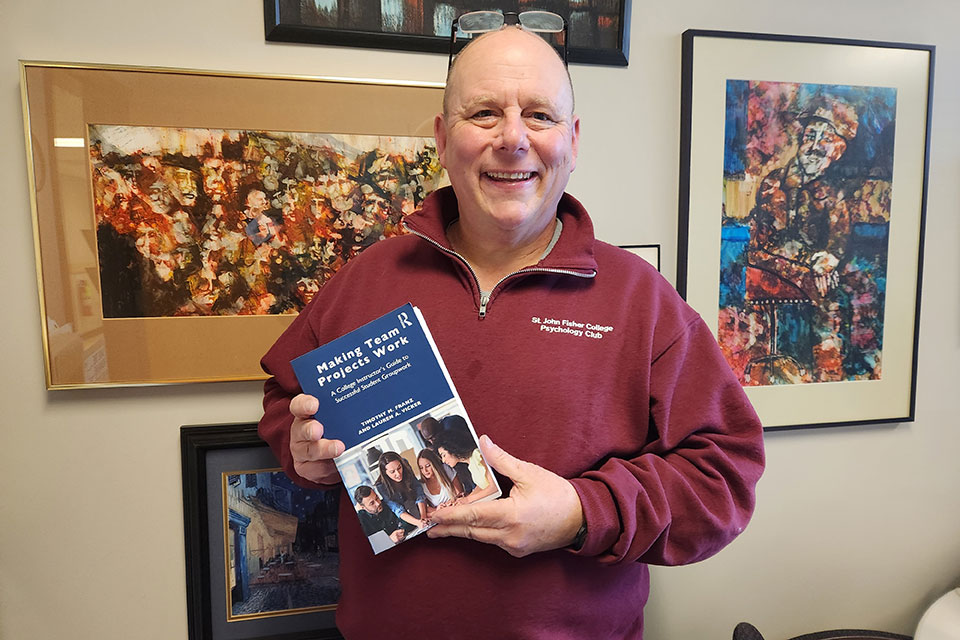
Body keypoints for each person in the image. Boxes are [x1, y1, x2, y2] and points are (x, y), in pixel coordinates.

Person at [258, 23, 764, 639]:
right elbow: (285, 400)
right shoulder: (367, 278)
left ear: (572, 141)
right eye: (484, 113)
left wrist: (583, 513)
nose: (514, 139)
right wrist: (303, 452)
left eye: (540, 115)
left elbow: (724, 476)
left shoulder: (641, 300)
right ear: (443, 140)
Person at [435, 431, 498, 503]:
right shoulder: (470, 464)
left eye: (444, 455)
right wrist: (462, 500)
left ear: (452, 448)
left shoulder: (477, 455)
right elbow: (481, 486)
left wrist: (468, 499)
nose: (443, 461)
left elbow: (494, 486)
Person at [375, 451, 429, 530]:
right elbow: (397, 509)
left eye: (399, 468)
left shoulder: (405, 464)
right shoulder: (381, 486)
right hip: (403, 517)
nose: (398, 474)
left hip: (415, 503)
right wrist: (418, 523)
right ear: (385, 473)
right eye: (392, 472)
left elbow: (418, 490)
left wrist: (423, 517)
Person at [416, 447, 464, 513]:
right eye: (421, 468)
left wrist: (452, 502)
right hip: (441, 515)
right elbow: (425, 508)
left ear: (434, 464)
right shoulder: (421, 485)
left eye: (427, 466)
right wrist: (437, 509)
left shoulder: (445, 470)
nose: (425, 470)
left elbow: (460, 492)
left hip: (457, 508)